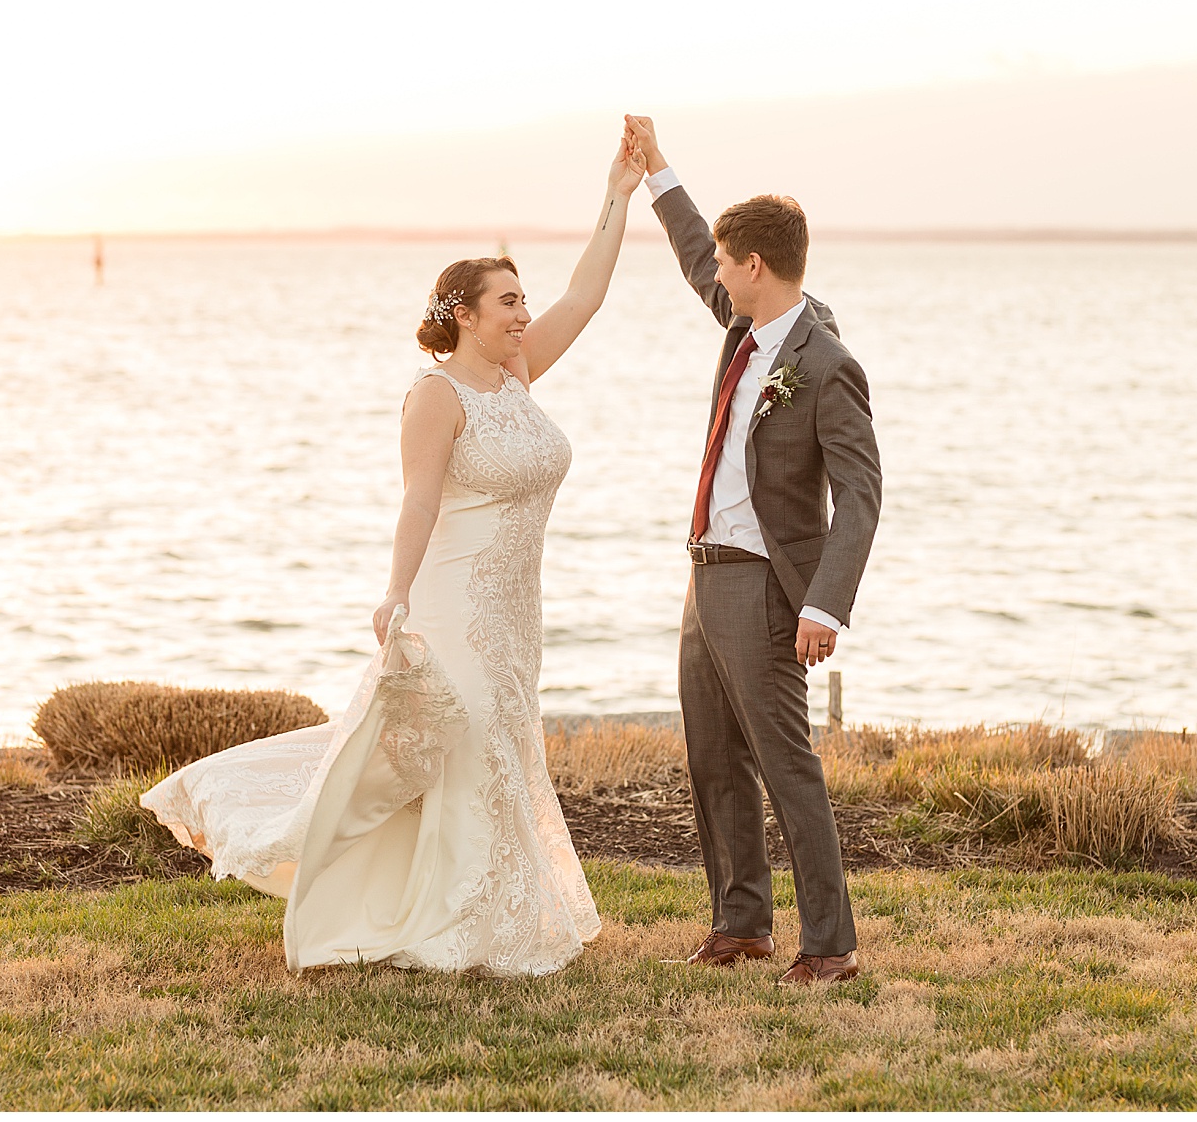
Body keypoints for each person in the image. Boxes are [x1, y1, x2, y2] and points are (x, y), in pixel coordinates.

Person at [140, 134, 648, 976]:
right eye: (509, 302)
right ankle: (454, 922)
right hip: (455, 601)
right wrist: (393, 594)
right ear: (465, 315)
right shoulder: (435, 395)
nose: (525, 314)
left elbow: (587, 294)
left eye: (524, 300)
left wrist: (618, 194)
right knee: (470, 738)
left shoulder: (519, 374)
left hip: (517, 608)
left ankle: (493, 908)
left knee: (503, 742)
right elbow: (417, 499)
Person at [623, 114, 883, 984]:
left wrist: (822, 602)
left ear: (759, 268)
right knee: (713, 756)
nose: (718, 278)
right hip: (703, 575)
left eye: (731, 268)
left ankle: (831, 944)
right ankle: (741, 923)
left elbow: (861, 496)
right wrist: (659, 171)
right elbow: (699, 247)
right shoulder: (746, 330)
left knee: (785, 762)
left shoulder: (824, 361)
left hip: (767, 588)